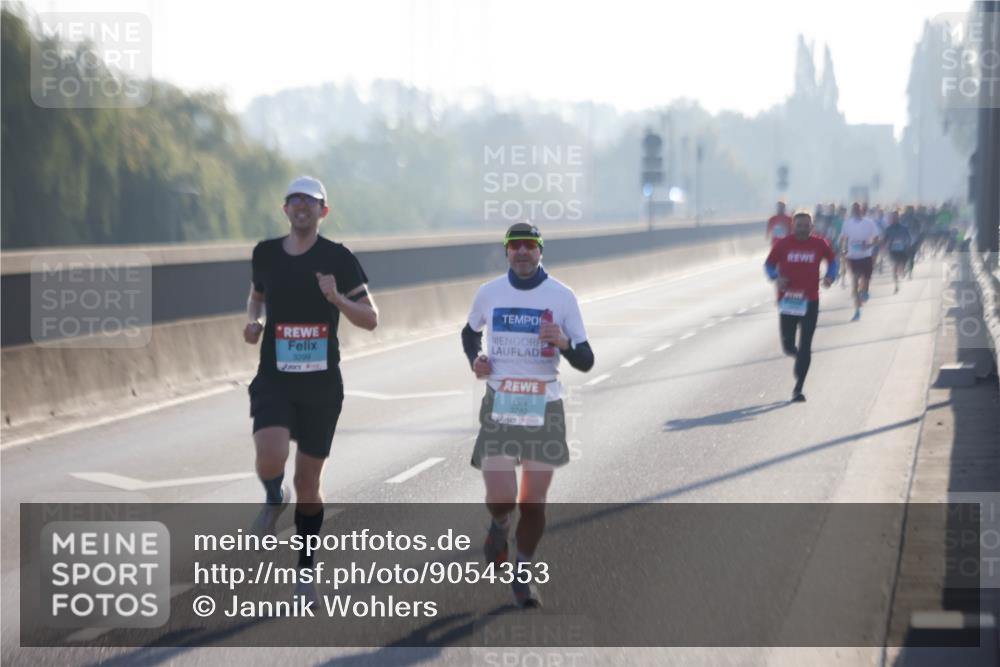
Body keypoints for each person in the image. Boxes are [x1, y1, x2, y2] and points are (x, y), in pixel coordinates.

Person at [244, 175, 378, 602]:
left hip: (321, 385)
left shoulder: (338, 257)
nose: (301, 207)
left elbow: (371, 318)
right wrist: (255, 321)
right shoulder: (265, 253)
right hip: (274, 377)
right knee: (270, 456)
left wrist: (336, 299)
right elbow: (257, 295)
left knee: (308, 482)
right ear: (285, 209)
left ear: (324, 211)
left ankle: (305, 570)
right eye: (294, 201)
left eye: (310, 201)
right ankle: (271, 496)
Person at [461, 222, 594, 608]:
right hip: (501, 403)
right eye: (515, 246)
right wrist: (477, 359)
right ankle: (500, 526)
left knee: (533, 503)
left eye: (529, 246)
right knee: (502, 497)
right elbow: (468, 333)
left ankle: (521, 571)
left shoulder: (562, 297)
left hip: (544, 405)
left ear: (540, 251)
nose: (522, 252)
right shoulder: (489, 293)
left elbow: (586, 359)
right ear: (506, 252)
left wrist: (563, 342)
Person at [764, 210, 837, 402]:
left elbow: (833, 261)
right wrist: (775, 277)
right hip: (788, 300)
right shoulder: (783, 244)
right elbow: (769, 264)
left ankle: (798, 388)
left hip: (810, 300)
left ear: (811, 227)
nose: (802, 229)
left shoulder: (820, 244)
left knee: (806, 345)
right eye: (799, 226)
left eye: (806, 226)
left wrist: (831, 276)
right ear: (792, 226)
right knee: (788, 346)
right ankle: (798, 356)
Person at [839, 202, 880, 321]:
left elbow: (877, 238)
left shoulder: (869, 223)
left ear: (862, 210)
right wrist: (843, 250)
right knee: (855, 283)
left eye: (858, 209)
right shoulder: (847, 223)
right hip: (853, 257)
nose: (856, 211)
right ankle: (857, 311)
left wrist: (869, 245)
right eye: (854, 209)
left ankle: (865, 292)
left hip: (866, 257)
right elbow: (843, 238)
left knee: (865, 281)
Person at [882, 210, 912, 293]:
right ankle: (896, 286)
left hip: (903, 250)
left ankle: (902, 271)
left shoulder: (904, 228)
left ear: (898, 218)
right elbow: (884, 240)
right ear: (891, 219)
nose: (894, 219)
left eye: (896, 217)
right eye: (893, 217)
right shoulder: (888, 229)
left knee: (901, 267)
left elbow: (909, 238)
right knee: (894, 267)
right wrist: (883, 248)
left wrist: (908, 245)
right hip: (893, 251)